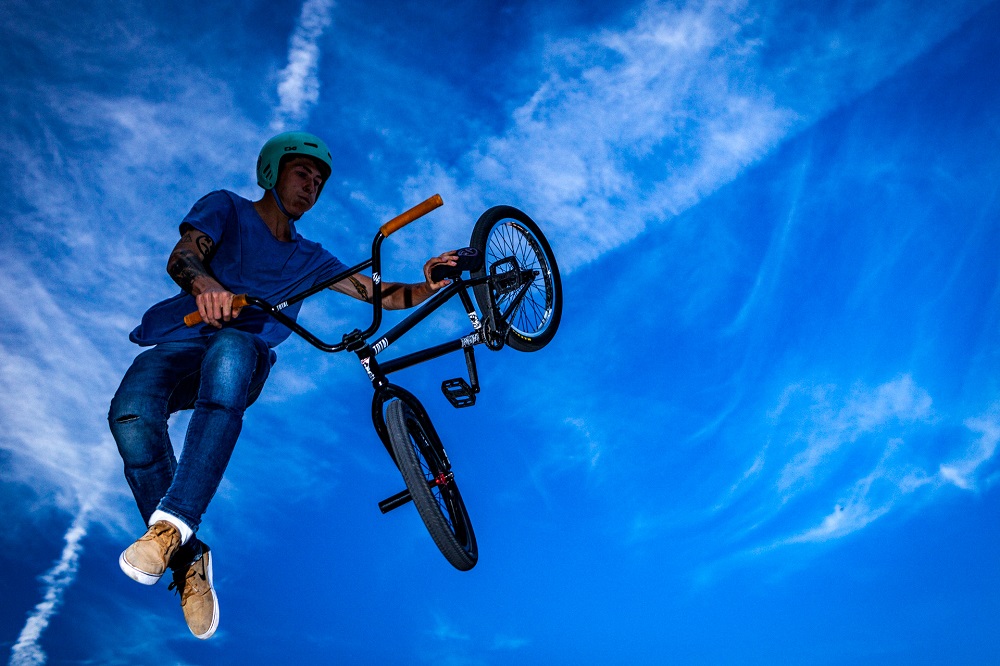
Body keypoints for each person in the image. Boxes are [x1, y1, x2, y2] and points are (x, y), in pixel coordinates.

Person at [108, 131, 456, 639]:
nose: (311, 187)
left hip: (240, 355)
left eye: (319, 182)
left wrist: (430, 283)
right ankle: (188, 560)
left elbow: (380, 294)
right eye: (302, 174)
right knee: (130, 414)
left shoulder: (312, 259)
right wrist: (207, 285)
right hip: (184, 342)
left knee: (232, 348)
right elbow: (183, 255)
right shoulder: (226, 208)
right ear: (272, 172)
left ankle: (172, 524)